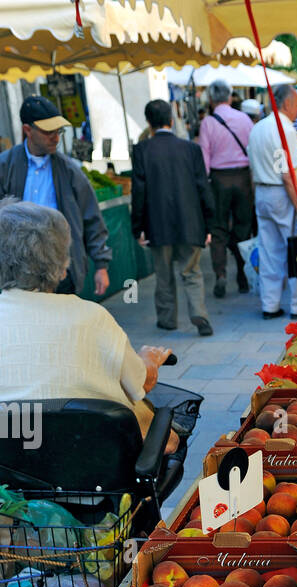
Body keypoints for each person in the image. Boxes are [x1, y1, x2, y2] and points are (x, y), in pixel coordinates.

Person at [0, 200, 176, 451]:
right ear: (62, 265)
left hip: (11, 466)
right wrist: (149, 359)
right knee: (162, 432)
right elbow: (141, 384)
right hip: (88, 458)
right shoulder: (91, 317)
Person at [0, 95, 111, 298]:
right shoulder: (5, 166)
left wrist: (101, 266)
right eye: (48, 131)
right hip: (17, 271)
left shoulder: (71, 171)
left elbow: (92, 218)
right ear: (27, 130)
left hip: (60, 270)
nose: (56, 138)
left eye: (58, 131)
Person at [131, 99, 214, 337]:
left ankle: (167, 319)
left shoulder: (141, 151)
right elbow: (203, 189)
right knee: (192, 272)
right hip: (191, 222)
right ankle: (199, 313)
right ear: (171, 120)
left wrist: (137, 228)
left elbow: (139, 192)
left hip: (157, 225)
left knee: (163, 274)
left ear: (149, 123)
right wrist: (208, 224)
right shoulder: (191, 149)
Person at [247, 83, 297, 320]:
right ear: (287, 104)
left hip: (263, 191)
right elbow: (288, 175)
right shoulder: (286, 129)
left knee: (269, 250)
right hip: (283, 193)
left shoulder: (258, 128)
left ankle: (270, 304)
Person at [196, 80, 254, 299]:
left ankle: (220, 274)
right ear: (230, 97)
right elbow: (252, 150)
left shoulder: (208, 123)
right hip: (242, 178)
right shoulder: (244, 119)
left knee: (218, 229)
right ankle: (242, 274)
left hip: (219, 180)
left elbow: (204, 159)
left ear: (211, 99)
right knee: (243, 228)